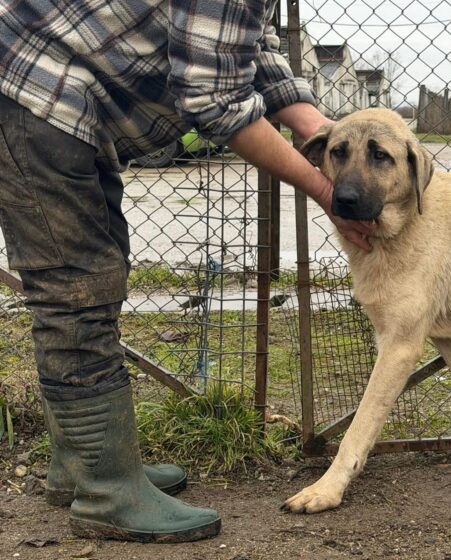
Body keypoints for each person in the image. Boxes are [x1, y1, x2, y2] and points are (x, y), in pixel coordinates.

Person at [0, 0, 372, 543]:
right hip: (29, 89)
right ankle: (107, 491)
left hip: (64, 97)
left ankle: (79, 466)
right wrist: (323, 188)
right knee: (75, 288)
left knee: (99, 270)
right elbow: (215, 101)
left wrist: (322, 132)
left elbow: (254, 51)